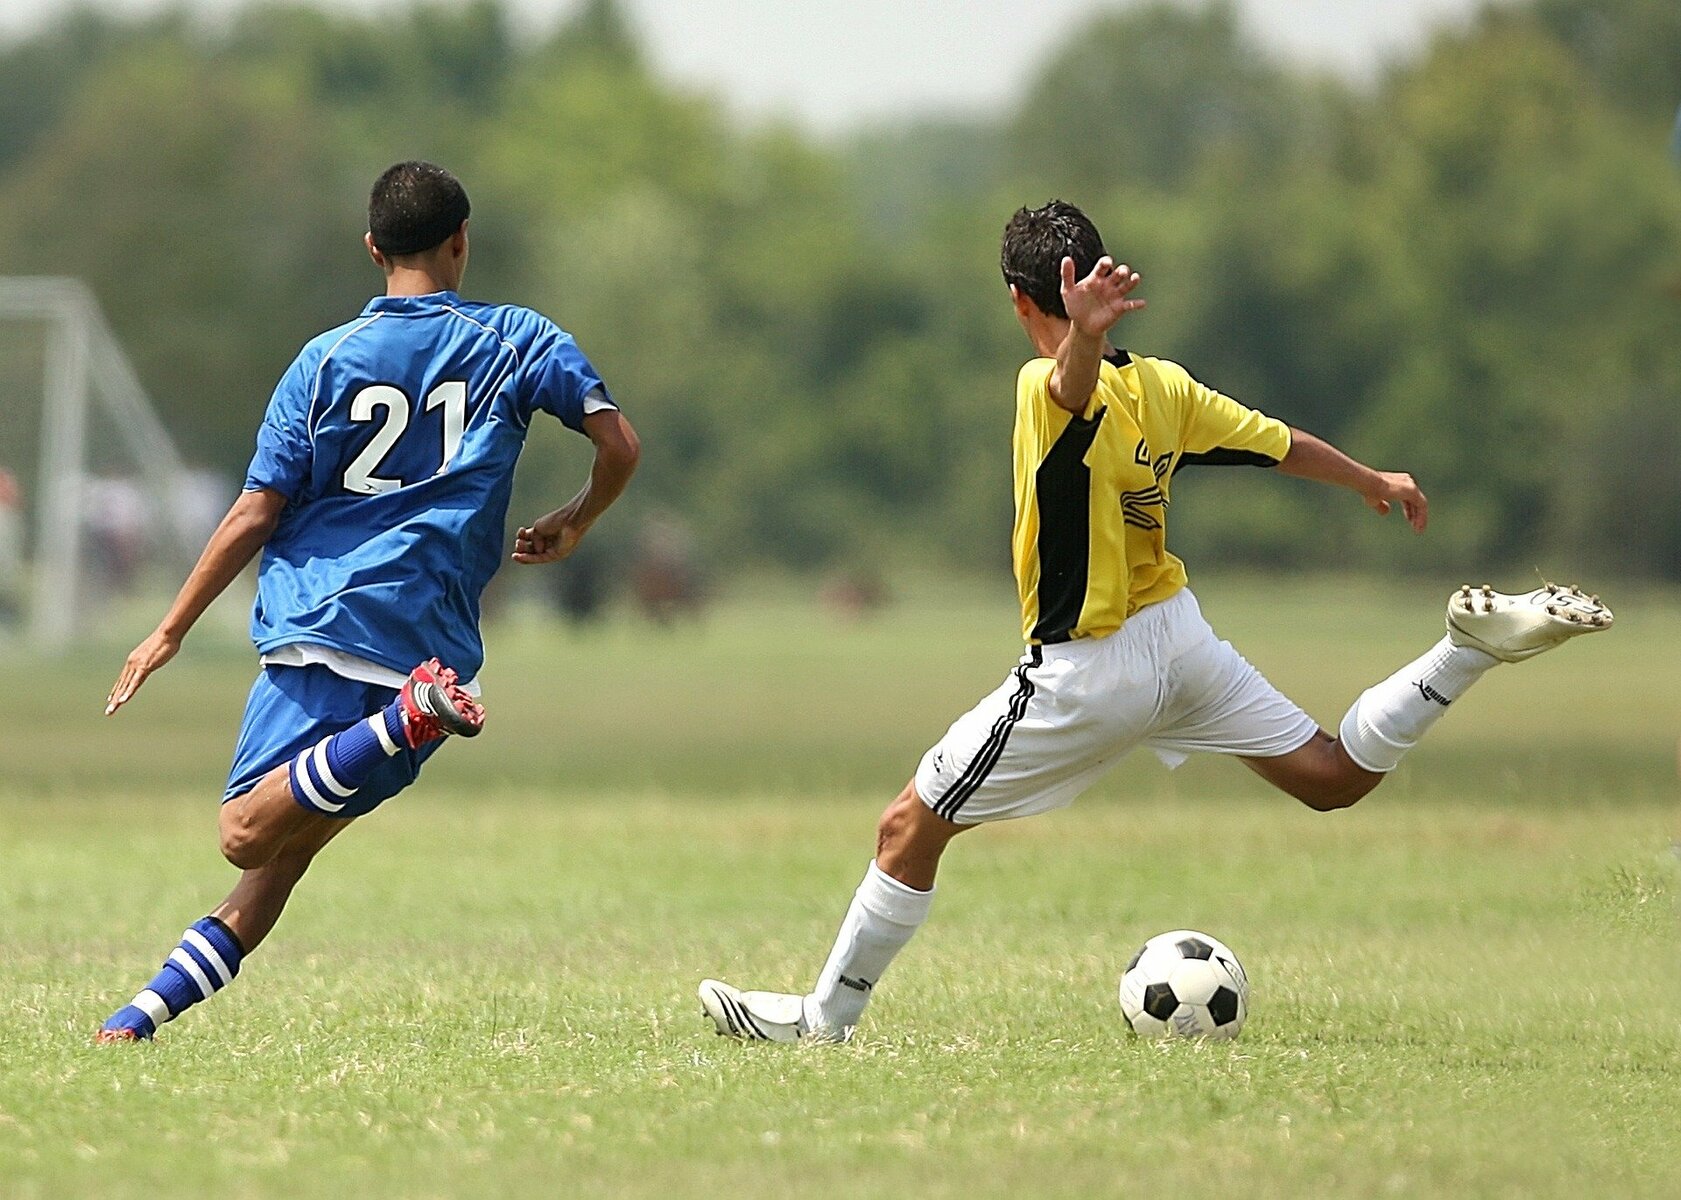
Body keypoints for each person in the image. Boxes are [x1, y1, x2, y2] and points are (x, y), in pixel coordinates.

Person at [698, 199, 1610, 1043]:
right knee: (1331, 776)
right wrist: (1371, 478)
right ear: (1092, 279)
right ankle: (1460, 653)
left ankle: (826, 1019)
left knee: (908, 827)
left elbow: (1066, 390)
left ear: (1020, 300)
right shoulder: (1165, 387)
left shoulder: (1039, 384)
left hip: (1087, 670)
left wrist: (1078, 342)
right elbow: (1274, 442)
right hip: (1179, 638)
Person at [97, 161, 640, 1042]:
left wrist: (168, 630)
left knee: (244, 833)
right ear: (462, 241)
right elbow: (619, 444)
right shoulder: (518, 339)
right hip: (431, 638)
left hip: (324, 623)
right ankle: (137, 1020)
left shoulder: (322, 362)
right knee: (278, 864)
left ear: (372, 249)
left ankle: (400, 721)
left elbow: (255, 510)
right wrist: (575, 521)